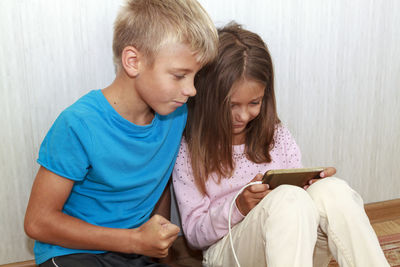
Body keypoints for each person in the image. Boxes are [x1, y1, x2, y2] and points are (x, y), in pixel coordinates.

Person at [172, 23, 389, 267]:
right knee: (287, 198)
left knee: (332, 190)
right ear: (208, 97)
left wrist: (311, 185)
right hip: (229, 252)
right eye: (232, 105)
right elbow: (193, 235)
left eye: (254, 102)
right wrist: (239, 207)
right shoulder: (189, 151)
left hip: (293, 250)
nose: (243, 116)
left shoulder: (275, 134)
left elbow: (300, 202)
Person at [24, 1, 218, 266]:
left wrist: (158, 248)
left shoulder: (176, 115)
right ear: (133, 61)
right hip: (73, 254)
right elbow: (37, 222)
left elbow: (158, 184)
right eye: (179, 75)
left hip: (135, 253)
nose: (191, 90)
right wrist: (134, 240)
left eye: (195, 76)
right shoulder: (78, 125)